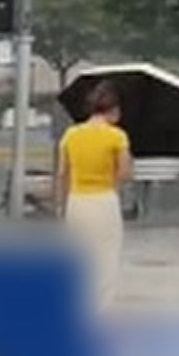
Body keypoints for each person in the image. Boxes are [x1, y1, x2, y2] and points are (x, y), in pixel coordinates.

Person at [56, 81, 130, 308]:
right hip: (104, 201)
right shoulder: (117, 137)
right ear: (113, 110)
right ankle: (100, 312)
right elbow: (125, 174)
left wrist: (62, 205)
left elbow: (62, 174)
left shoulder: (70, 135)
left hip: (77, 203)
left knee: (79, 258)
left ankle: (78, 307)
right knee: (106, 259)